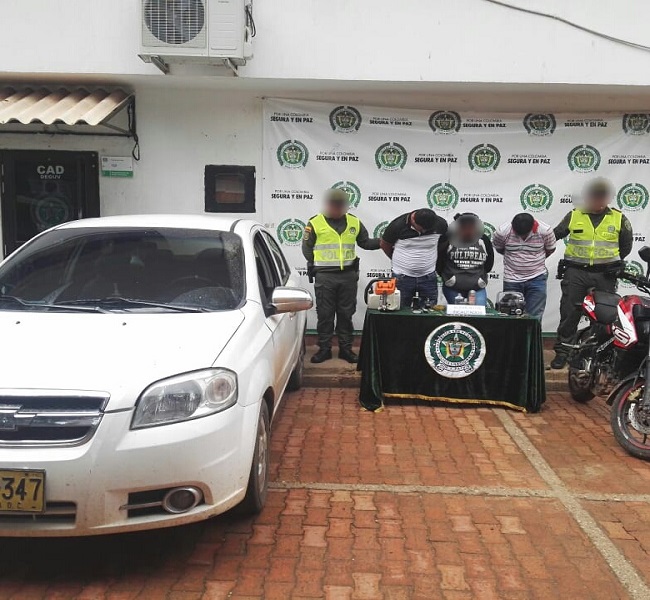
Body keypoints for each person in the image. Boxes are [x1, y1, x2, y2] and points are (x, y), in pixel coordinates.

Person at [550, 177, 633, 369]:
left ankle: (595, 355)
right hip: (576, 272)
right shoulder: (574, 215)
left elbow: (626, 246)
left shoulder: (619, 218)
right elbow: (554, 235)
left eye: (602, 196)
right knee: (569, 313)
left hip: (605, 275)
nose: (598, 200)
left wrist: (611, 262)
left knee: (604, 316)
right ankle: (563, 352)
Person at [302, 188, 380, 364]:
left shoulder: (354, 222)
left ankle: (346, 349)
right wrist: (320, 265)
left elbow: (365, 242)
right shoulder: (315, 223)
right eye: (334, 205)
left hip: (348, 277)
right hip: (325, 277)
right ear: (328, 205)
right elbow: (307, 249)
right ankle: (324, 349)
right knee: (325, 315)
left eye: (340, 205)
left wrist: (383, 242)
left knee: (346, 314)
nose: (337, 208)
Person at [492, 212, 556, 319]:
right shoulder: (502, 232)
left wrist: (532, 261)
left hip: (537, 277)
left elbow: (550, 249)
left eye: (524, 234)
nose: (522, 237)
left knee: (534, 316)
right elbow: (500, 248)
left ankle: (532, 331)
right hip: (512, 279)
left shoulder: (545, 231)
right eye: (518, 234)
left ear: (532, 227)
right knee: (510, 315)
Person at [380, 208, 447, 307]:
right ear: (413, 220)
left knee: (430, 310)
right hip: (402, 276)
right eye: (422, 228)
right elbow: (385, 244)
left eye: (427, 229)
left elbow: (443, 243)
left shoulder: (440, 224)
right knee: (399, 309)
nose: (424, 231)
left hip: (428, 276)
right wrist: (398, 260)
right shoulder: (398, 225)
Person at [437, 213, 494, 305]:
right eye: (465, 226)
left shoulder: (483, 240)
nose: (468, 229)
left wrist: (479, 278)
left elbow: (489, 264)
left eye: (471, 226)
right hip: (453, 287)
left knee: (478, 312)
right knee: (457, 312)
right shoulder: (448, 239)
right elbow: (440, 262)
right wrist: (449, 278)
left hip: (477, 287)